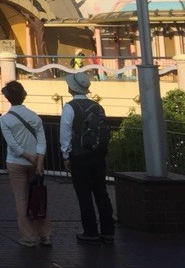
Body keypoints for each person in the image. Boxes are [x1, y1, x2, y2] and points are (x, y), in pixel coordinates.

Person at [61, 71, 115, 244]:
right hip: (98, 154)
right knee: (101, 192)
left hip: (79, 155)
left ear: (72, 88)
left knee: (84, 194)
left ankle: (90, 231)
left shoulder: (70, 107)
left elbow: (65, 133)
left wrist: (65, 154)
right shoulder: (97, 106)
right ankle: (108, 231)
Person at [0, 80, 51, 247]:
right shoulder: (34, 116)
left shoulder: (5, 119)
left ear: (8, 98)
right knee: (38, 197)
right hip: (36, 163)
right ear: (23, 96)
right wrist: (39, 160)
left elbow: (13, 145)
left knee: (21, 200)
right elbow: (42, 140)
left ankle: (28, 237)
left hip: (16, 163)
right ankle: (45, 235)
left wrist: (28, 157)